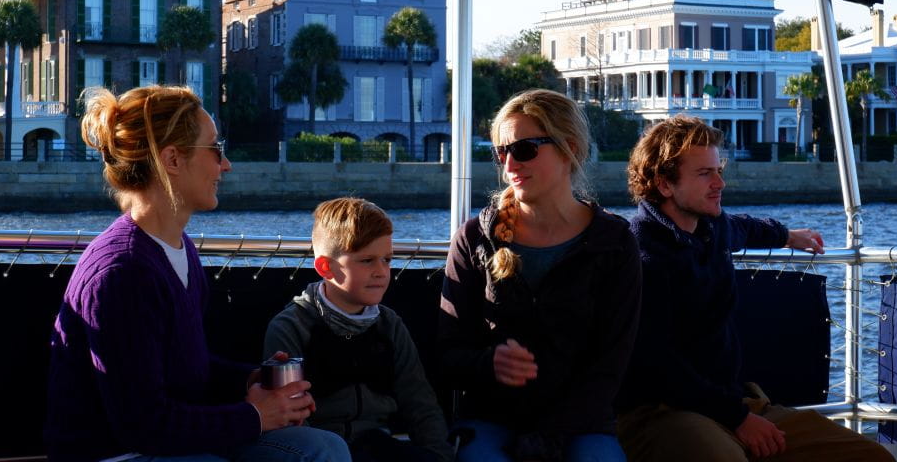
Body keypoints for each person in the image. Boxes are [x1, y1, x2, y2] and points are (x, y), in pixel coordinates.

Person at [46, 85, 350, 462]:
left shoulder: (177, 248)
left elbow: (188, 369)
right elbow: (143, 425)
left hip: (168, 440)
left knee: (324, 448)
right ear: (173, 159)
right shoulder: (121, 273)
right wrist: (256, 416)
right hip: (119, 454)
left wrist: (251, 380)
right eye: (215, 150)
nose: (226, 165)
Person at [618, 114, 892, 462]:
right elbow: (656, 365)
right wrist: (738, 419)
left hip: (732, 401)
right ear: (664, 184)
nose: (720, 183)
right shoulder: (638, 256)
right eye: (705, 174)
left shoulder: (710, 226)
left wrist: (789, 236)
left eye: (719, 171)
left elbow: (744, 227)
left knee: (868, 456)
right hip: (660, 410)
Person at [438, 89, 641, 462]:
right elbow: (448, 352)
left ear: (571, 150)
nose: (510, 164)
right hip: (491, 418)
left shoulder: (613, 243)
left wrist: (549, 434)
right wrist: (489, 363)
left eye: (526, 149)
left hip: (583, 423)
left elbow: (611, 364)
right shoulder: (474, 238)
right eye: (502, 151)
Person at [263, 197, 453, 462]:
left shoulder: (390, 326)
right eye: (367, 261)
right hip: (320, 446)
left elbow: (419, 402)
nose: (381, 271)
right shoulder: (292, 327)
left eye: (387, 260)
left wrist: (439, 456)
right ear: (325, 267)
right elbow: (290, 419)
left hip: (377, 443)